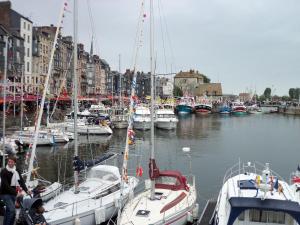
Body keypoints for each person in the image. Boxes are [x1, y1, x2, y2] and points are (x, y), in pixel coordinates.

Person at [0, 155, 29, 225]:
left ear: (14, 163)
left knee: (9, 211)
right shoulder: (4, 171)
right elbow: (5, 185)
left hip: (13, 193)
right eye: (9, 162)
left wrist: (26, 190)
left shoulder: (16, 170)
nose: (10, 163)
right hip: (5, 193)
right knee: (12, 210)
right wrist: (16, 193)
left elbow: (21, 181)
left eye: (11, 162)